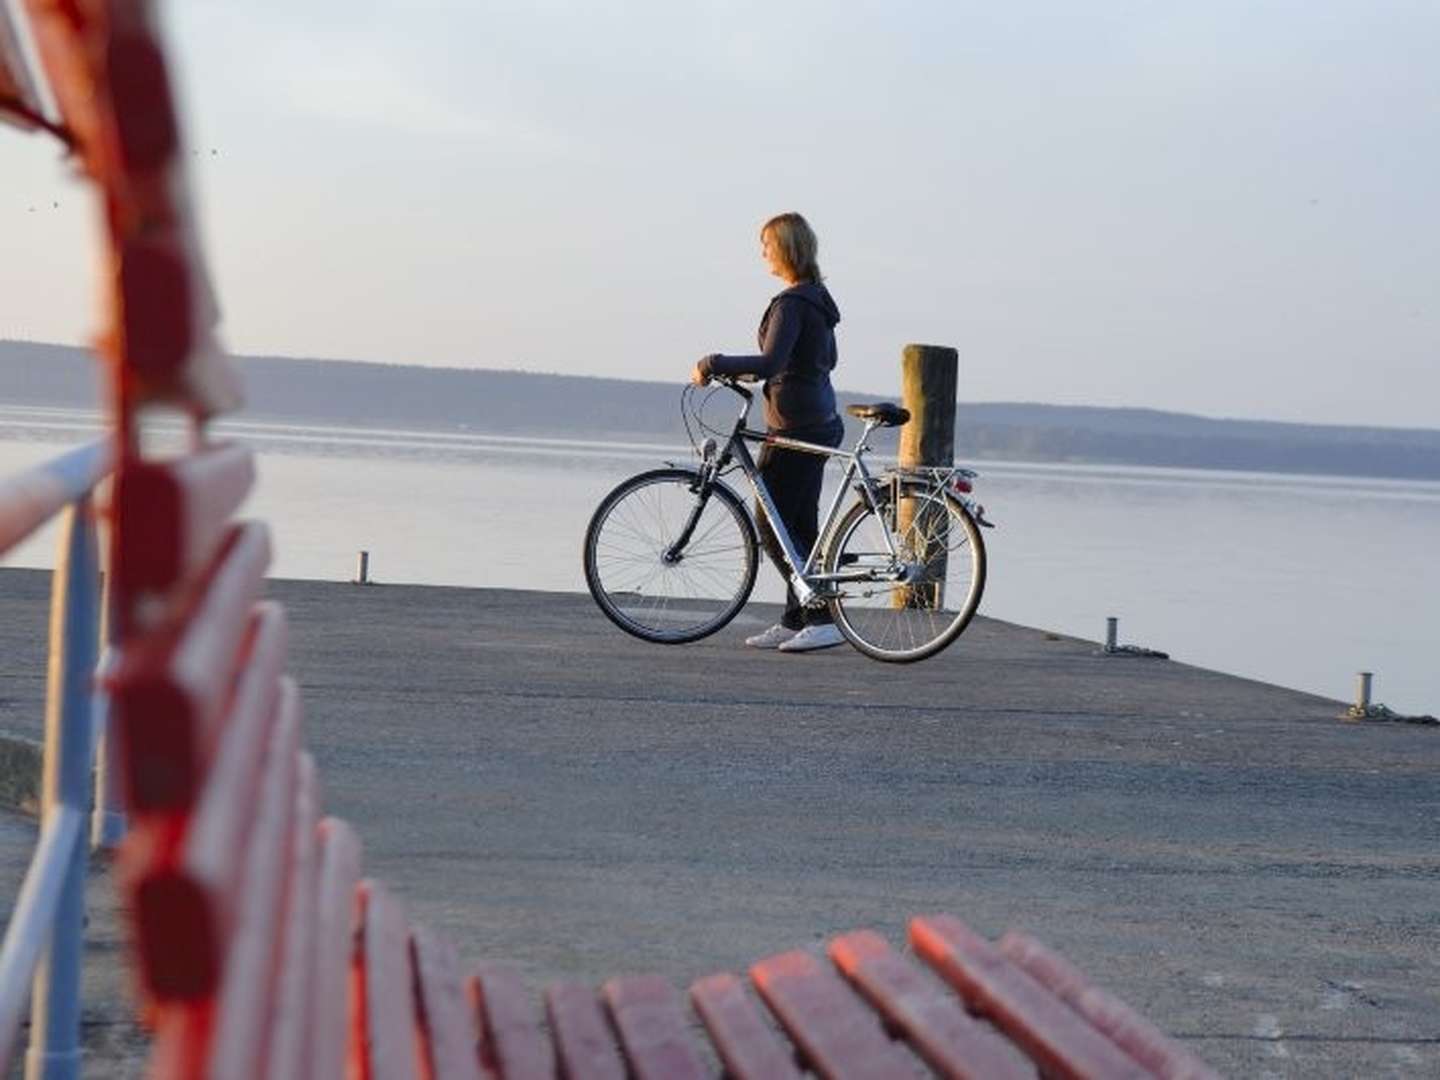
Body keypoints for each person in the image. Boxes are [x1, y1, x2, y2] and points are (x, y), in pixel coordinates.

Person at [692, 212, 846, 653]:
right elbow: (821, 361)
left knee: (770, 525)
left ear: (785, 248)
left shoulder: (793, 303)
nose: (762, 253)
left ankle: (821, 615)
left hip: (795, 426)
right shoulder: (819, 299)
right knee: (797, 524)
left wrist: (714, 363)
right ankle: (797, 617)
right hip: (819, 419)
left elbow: (772, 362)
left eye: (766, 245)